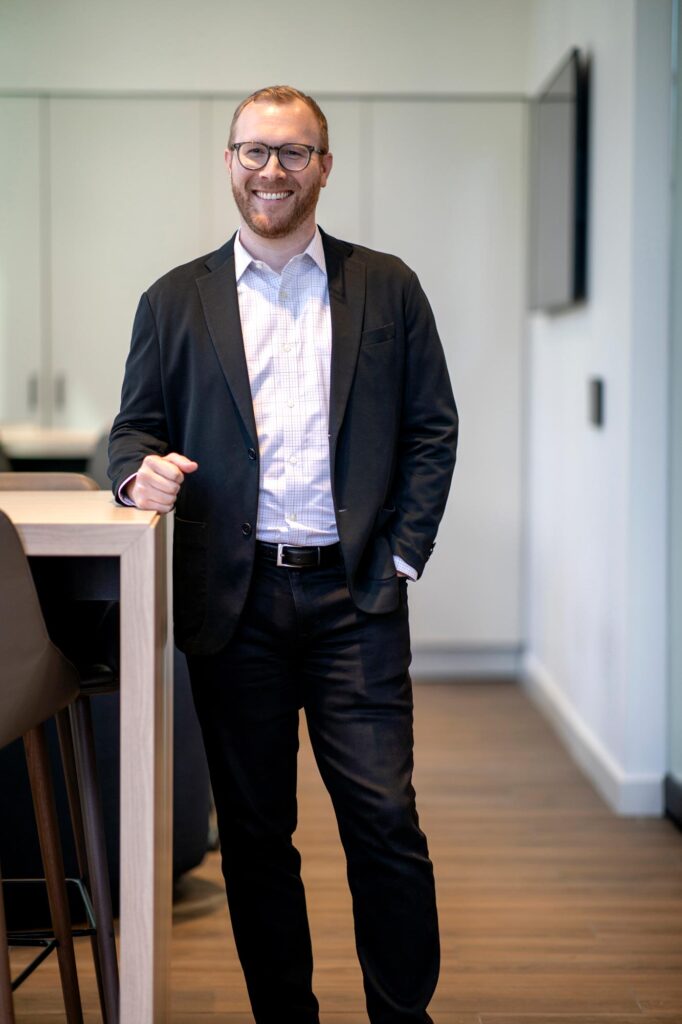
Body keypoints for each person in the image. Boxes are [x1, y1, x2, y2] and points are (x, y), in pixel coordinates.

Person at [108, 84, 458, 1024]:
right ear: (229, 162)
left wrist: (403, 555)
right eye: (255, 151)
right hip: (235, 605)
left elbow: (432, 427)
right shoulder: (173, 300)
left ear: (324, 167)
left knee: (385, 823)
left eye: (294, 152)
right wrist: (139, 476)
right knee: (257, 838)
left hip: (357, 602)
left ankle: (403, 1017)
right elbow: (133, 430)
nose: (273, 170)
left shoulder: (387, 286)